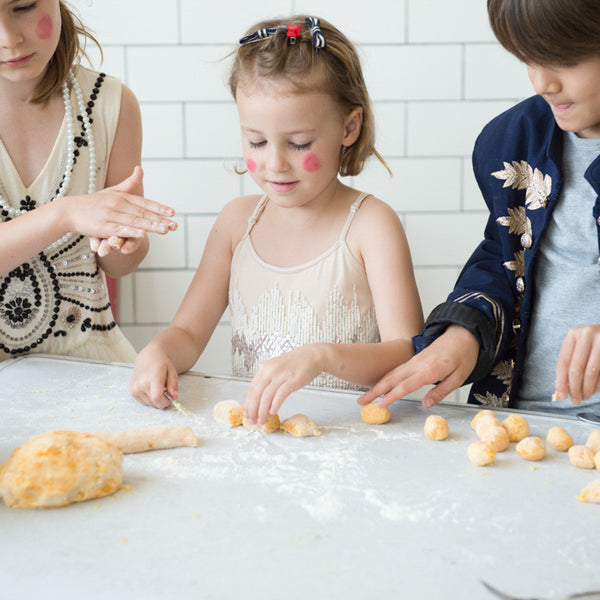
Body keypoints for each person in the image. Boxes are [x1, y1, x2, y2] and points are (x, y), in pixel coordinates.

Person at [129, 15, 423, 422]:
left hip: (351, 440)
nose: (275, 163)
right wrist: (157, 352)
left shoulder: (371, 225)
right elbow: (188, 333)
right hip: (261, 440)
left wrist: (321, 356)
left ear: (349, 127)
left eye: (299, 143)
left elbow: (406, 352)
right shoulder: (236, 223)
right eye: (257, 141)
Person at [359, 0, 600, 414]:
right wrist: (463, 333)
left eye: (563, 58)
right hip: (522, 418)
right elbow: (502, 262)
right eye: (527, 58)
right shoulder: (511, 144)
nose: (542, 82)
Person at [0, 0, 177, 363]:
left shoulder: (111, 104)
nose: (9, 37)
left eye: (24, 6)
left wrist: (125, 241)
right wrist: (65, 214)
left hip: (92, 363)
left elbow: (120, 266)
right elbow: (67, 215)